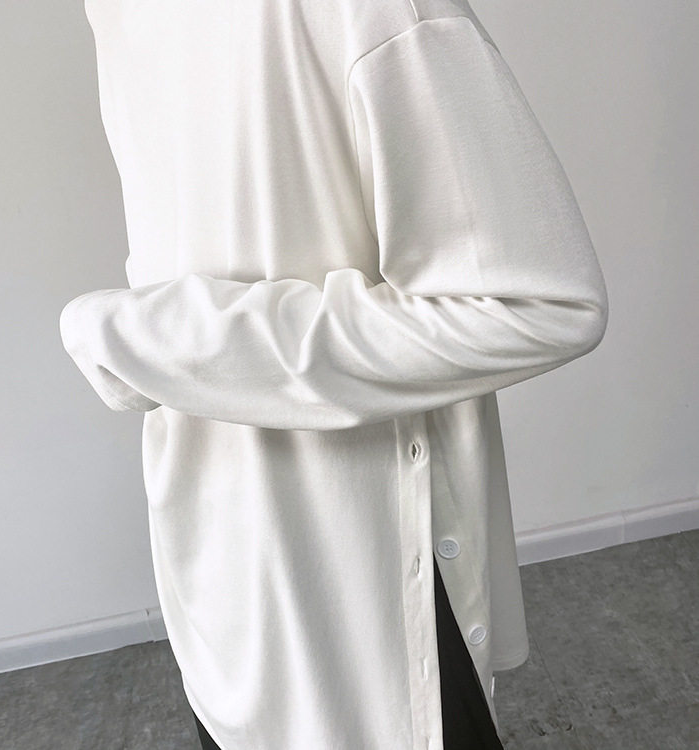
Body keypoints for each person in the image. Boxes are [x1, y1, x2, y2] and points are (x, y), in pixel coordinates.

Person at [59, 0, 609, 748]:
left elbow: (542, 302)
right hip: (210, 548)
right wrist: (166, 347)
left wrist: (170, 340)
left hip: (369, 577)